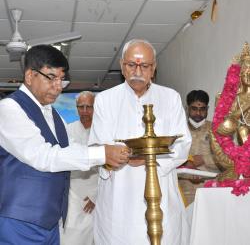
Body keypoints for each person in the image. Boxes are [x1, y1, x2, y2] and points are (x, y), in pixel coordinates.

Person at [0, 45, 129, 245]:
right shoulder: (9, 108)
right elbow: (44, 156)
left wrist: (116, 149)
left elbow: (72, 149)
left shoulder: (54, 114)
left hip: (52, 222)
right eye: (51, 78)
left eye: (62, 79)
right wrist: (101, 154)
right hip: (20, 222)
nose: (59, 86)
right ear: (29, 76)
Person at [88, 39, 192, 245]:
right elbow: (97, 147)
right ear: (121, 66)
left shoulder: (170, 97)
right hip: (119, 196)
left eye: (144, 66)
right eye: (131, 65)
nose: (138, 71)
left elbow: (183, 144)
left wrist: (150, 160)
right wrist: (115, 157)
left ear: (153, 68)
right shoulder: (105, 99)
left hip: (162, 190)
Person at [60, 91, 97, 245]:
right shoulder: (68, 130)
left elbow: (110, 169)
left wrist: (97, 197)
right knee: (68, 236)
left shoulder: (102, 131)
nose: (84, 111)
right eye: (81, 107)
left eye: (89, 107)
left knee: (91, 236)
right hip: (72, 194)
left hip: (96, 194)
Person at [178, 90, 220, 205]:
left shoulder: (217, 130)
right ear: (187, 108)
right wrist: (187, 164)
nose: (198, 113)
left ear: (207, 109)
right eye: (194, 108)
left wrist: (204, 159)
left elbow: (228, 160)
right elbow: (170, 158)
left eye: (202, 109)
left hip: (210, 190)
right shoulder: (178, 131)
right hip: (184, 190)